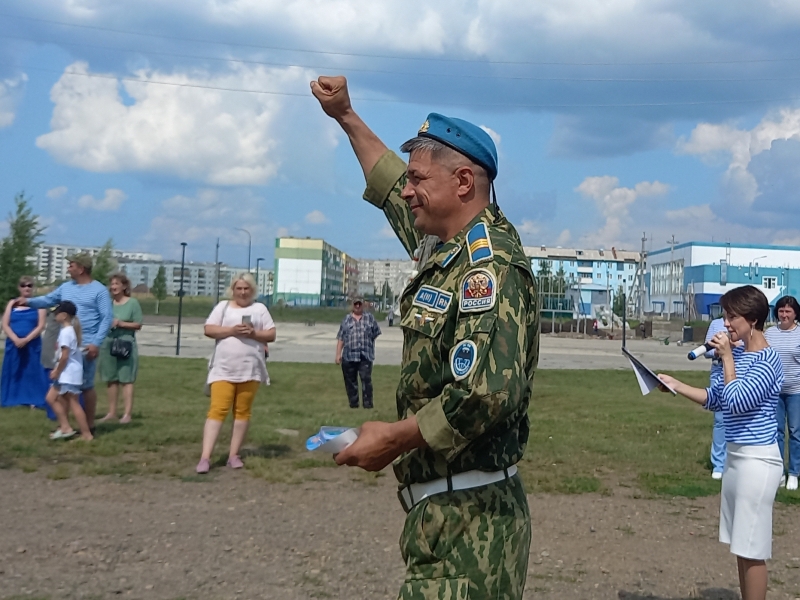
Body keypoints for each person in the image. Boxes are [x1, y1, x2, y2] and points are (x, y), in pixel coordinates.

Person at [312, 75, 538, 600]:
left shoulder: (490, 266)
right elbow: (389, 181)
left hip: (471, 526)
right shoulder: (443, 243)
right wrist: (346, 115)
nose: (407, 190)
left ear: (463, 183)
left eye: (420, 179)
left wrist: (393, 439)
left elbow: (484, 394)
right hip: (442, 516)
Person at [658, 285, 783, 600]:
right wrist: (676, 385)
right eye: (725, 317)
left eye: (732, 318)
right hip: (735, 456)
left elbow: (738, 401)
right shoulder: (738, 354)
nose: (726, 325)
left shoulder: (769, 361)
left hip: (759, 461)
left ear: (752, 319)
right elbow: (717, 398)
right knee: (741, 544)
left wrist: (727, 358)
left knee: (753, 546)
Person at [17, 253, 112, 432]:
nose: (68, 268)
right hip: (67, 344)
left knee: (86, 386)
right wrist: (28, 302)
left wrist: (96, 343)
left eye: (71, 265)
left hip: (86, 346)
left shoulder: (99, 290)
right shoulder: (66, 287)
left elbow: (106, 318)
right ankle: (65, 425)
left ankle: (89, 426)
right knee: (61, 385)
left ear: (81, 269)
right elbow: (48, 300)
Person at [196, 273, 276, 474]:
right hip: (223, 369)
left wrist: (254, 334)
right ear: (233, 290)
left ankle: (234, 455)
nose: (242, 292)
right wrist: (231, 331)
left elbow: (271, 334)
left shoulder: (260, 309)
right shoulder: (223, 307)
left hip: (250, 369)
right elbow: (208, 329)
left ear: (252, 290)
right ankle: (205, 457)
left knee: (242, 412)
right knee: (218, 410)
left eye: (246, 288)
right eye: (239, 288)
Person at [764, 295, 800, 491]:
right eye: (781, 311)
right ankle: (778, 471)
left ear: (795, 314)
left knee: (795, 432)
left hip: (796, 391)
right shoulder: (770, 333)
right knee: (775, 432)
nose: (784, 315)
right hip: (774, 392)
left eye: (788, 311)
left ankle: (794, 473)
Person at [98, 273, 143, 424]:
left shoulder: (133, 303)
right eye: (112, 284)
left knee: (126, 379)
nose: (114, 287)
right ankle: (111, 412)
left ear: (124, 286)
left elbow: (138, 324)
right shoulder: (108, 304)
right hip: (108, 343)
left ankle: (127, 414)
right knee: (111, 379)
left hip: (125, 344)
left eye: (117, 284)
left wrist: (121, 323)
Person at [46, 301, 92, 441]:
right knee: (51, 398)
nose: (54, 314)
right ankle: (65, 427)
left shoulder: (67, 332)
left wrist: (57, 371)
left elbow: (65, 356)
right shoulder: (67, 330)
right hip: (65, 374)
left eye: (57, 312)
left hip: (68, 374)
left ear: (64, 316)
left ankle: (86, 434)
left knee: (73, 403)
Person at [1, 276, 49, 409]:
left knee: (32, 372)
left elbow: (41, 326)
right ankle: (13, 398)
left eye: (29, 285)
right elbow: (5, 324)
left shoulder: (39, 304)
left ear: (33, 288)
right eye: (23, 285)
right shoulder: (12, 304)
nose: (26, 288)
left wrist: (26, 339)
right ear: (19, 288)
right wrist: (15, 339)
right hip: (13, 344)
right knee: (13, 370)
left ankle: (33, 398)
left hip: (32, 344)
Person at [335, 298, 381, 408]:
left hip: (365, 356)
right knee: (351, 382)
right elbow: (341, 338)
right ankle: (354, 404)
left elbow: (375, 333)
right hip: (349, 356)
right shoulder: (346, 320)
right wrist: (338, 355)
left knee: (366, 380)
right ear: (352, 305)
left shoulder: (370, 318)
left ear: (363, 305)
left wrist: (369, 344)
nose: (357, 306)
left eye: (359, 304)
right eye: (355, 304)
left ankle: (368, 405)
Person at [704, 317, 728, 479]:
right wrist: (718, 351)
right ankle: (719, 464)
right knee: (720, 418)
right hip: (718, 370)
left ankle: (733, 460)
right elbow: (706, 350)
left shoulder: (743, 323)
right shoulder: (716, 324)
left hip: (738, 369)